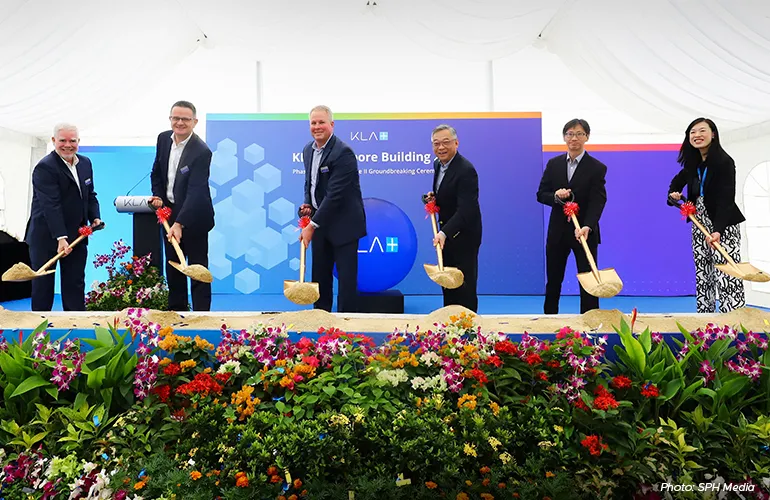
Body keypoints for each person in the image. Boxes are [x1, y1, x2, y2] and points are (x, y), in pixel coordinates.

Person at [668, 118, 745, 313]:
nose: (697, 135)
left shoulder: (725, 162)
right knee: (703, 272)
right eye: (692, 132)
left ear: (713, 134)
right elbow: (676, 183)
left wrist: (718, 230)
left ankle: (733, 318)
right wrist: (674, 194)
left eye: (702, 131)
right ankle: (705, 317)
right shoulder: (692, 164)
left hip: (723, 222)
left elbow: (727, 199)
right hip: (698, 221)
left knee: (727, 271)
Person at [26, 123, 102, 311]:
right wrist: (61, 237)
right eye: (62, 141)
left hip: (76, 234)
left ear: (78, 142)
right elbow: (51, 205)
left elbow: (89, 194)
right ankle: (40, 332)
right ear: (53, 141)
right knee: (43, 285)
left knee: (75, 283)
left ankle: (76, 329)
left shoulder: (85, 163)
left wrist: (95, 217)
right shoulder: (44, 168)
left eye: (72, 141)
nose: (67, 145)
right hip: (46, 236)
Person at [298, 105, 366, 312]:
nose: (317, 127)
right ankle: (321, 322)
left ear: (332, 125)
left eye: (321, 122)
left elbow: (335, 195)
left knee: (346, 282)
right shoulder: (308, 150)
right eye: (313, 123)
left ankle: (347, 329)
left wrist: (312, 225)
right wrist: (308, 205)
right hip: (321, 224)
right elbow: (310, 183)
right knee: (320, 277)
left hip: (344, 225)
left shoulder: (343, 153)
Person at [537, 118, 607, 314]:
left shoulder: (597, 167)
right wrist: (556, 197)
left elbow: (598, 200)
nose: (574, 138)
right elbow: (541, 194)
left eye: (579, 134)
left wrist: (588, 226)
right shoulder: (554, 164)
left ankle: (591, 323)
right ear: (564, 137)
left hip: (583, 232)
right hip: (558, 232)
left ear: (587, 137)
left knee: (588, 280)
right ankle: (549, 320)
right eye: (569, 134)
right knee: (554, 279)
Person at [150, 101, 214, 311]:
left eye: (185, 119)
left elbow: (196, 192)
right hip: (169, 215)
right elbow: (156, 173)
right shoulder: (163, 139)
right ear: (170, 119)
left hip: (194, 217)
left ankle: (203, 317)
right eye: (175, 118)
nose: (179, 123)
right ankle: (176, 314)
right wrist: (158, 197)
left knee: (197, 271)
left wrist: (180, 223)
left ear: (194, 122)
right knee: (174, 267)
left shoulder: (201, 151)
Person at [423, 124, 482, 312]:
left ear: (456, 143)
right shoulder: (437, 164)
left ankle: (470, 329)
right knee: (447, 282)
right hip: (445, 234)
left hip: (464, 235)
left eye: (446, 142)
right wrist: (433, 198)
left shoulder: (466, 170)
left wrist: (444, 232)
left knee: (464, 285)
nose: (441, 148)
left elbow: (467, 209)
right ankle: (449, 325)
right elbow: (447, 194)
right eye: (436, 143)